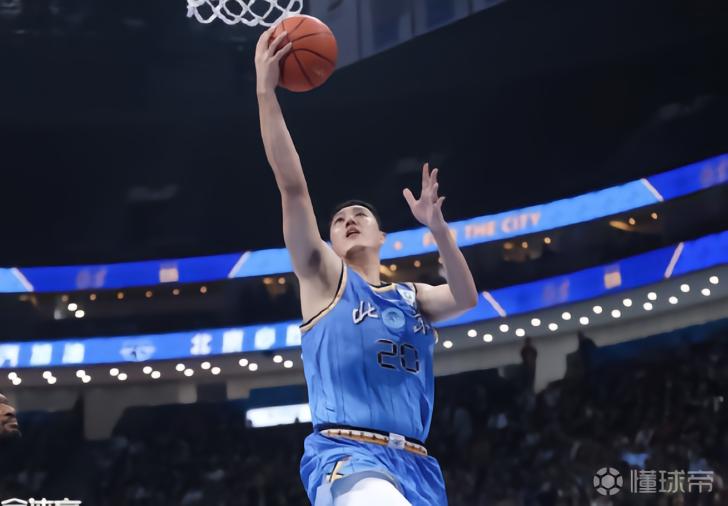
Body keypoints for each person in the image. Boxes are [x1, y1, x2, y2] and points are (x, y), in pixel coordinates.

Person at [255, 28, 478, 506]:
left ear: (382, 237)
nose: (349, 221)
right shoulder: (323, 279)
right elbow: (293, 188)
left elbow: (465, 297)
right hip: (346, 454)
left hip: (416, 462)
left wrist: (439, 229)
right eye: (339, 221)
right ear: (331, 241)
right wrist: (265, 92)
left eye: (360, 216)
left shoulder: (412, 297)